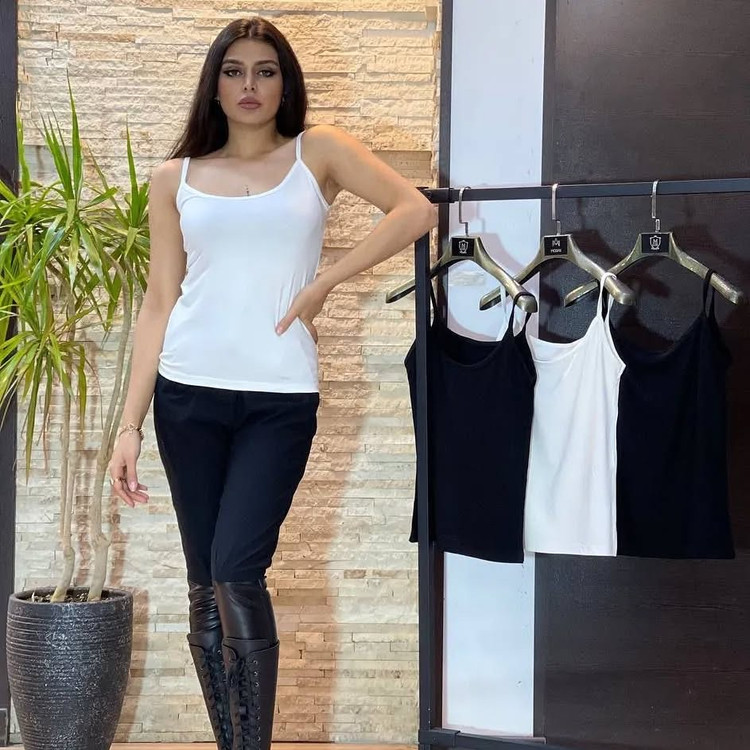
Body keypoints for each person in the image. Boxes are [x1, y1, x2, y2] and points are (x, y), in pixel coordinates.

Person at [106, 14, 437, 750]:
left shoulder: (318, 152)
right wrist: (129, 425)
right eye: (234, 71)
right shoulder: (174, 179)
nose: (249, 85)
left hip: (280, 399)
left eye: (265, 71)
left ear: (286, 83)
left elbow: (414, 210)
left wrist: (325, 281)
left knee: (236, 569)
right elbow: (159, 300)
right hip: (186, 395)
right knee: (204, 580)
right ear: (214, 85)